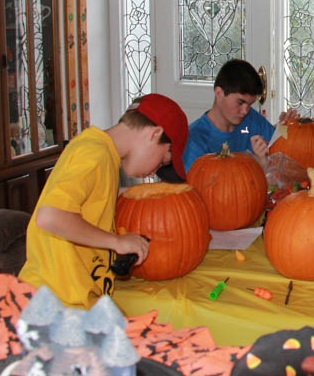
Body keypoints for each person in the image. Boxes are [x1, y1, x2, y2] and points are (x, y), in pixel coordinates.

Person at [19, 93, 189, 309]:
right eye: (161, 161)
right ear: (155, 133)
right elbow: (50, 216)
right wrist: (116, 242)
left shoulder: (105, 156)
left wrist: (127, 194)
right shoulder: (93, 153)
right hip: (55, 305)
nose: (153, 171)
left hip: (77, 301)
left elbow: (91, 196)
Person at [182, 58, 298, 172]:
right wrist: (259, 165)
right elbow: (206, 187)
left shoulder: (251, 120)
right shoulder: (194, 140)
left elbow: (282, 155)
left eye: (250, 104)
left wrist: (284, 130)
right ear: (219, 93)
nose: (245, 111)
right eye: (240, 102)